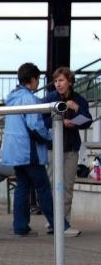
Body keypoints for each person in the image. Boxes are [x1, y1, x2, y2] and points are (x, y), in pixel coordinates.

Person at [1, 63, 73, 237]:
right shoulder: (29, 99)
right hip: (29, 150)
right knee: (43, 189)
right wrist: (50, 137)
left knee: (22, 188)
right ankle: (60, 226)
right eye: (37, 80)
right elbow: (35, 126)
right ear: (33, 80)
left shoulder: (12, 97)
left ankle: (20, 227)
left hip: (15, 151)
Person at [42, 67, 92, 237]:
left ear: (70, 82)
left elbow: (87, 120)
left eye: (61, 80)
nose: (58, 84)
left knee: (67, 187)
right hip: (53, 147)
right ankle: (51, 222)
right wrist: (62, 122)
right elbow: (42, 120)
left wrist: (76, 109)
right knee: (52, 185)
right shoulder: (49, 99)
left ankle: (64, 222)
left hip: (71, 148)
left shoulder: (79, 99)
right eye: (56, 81)